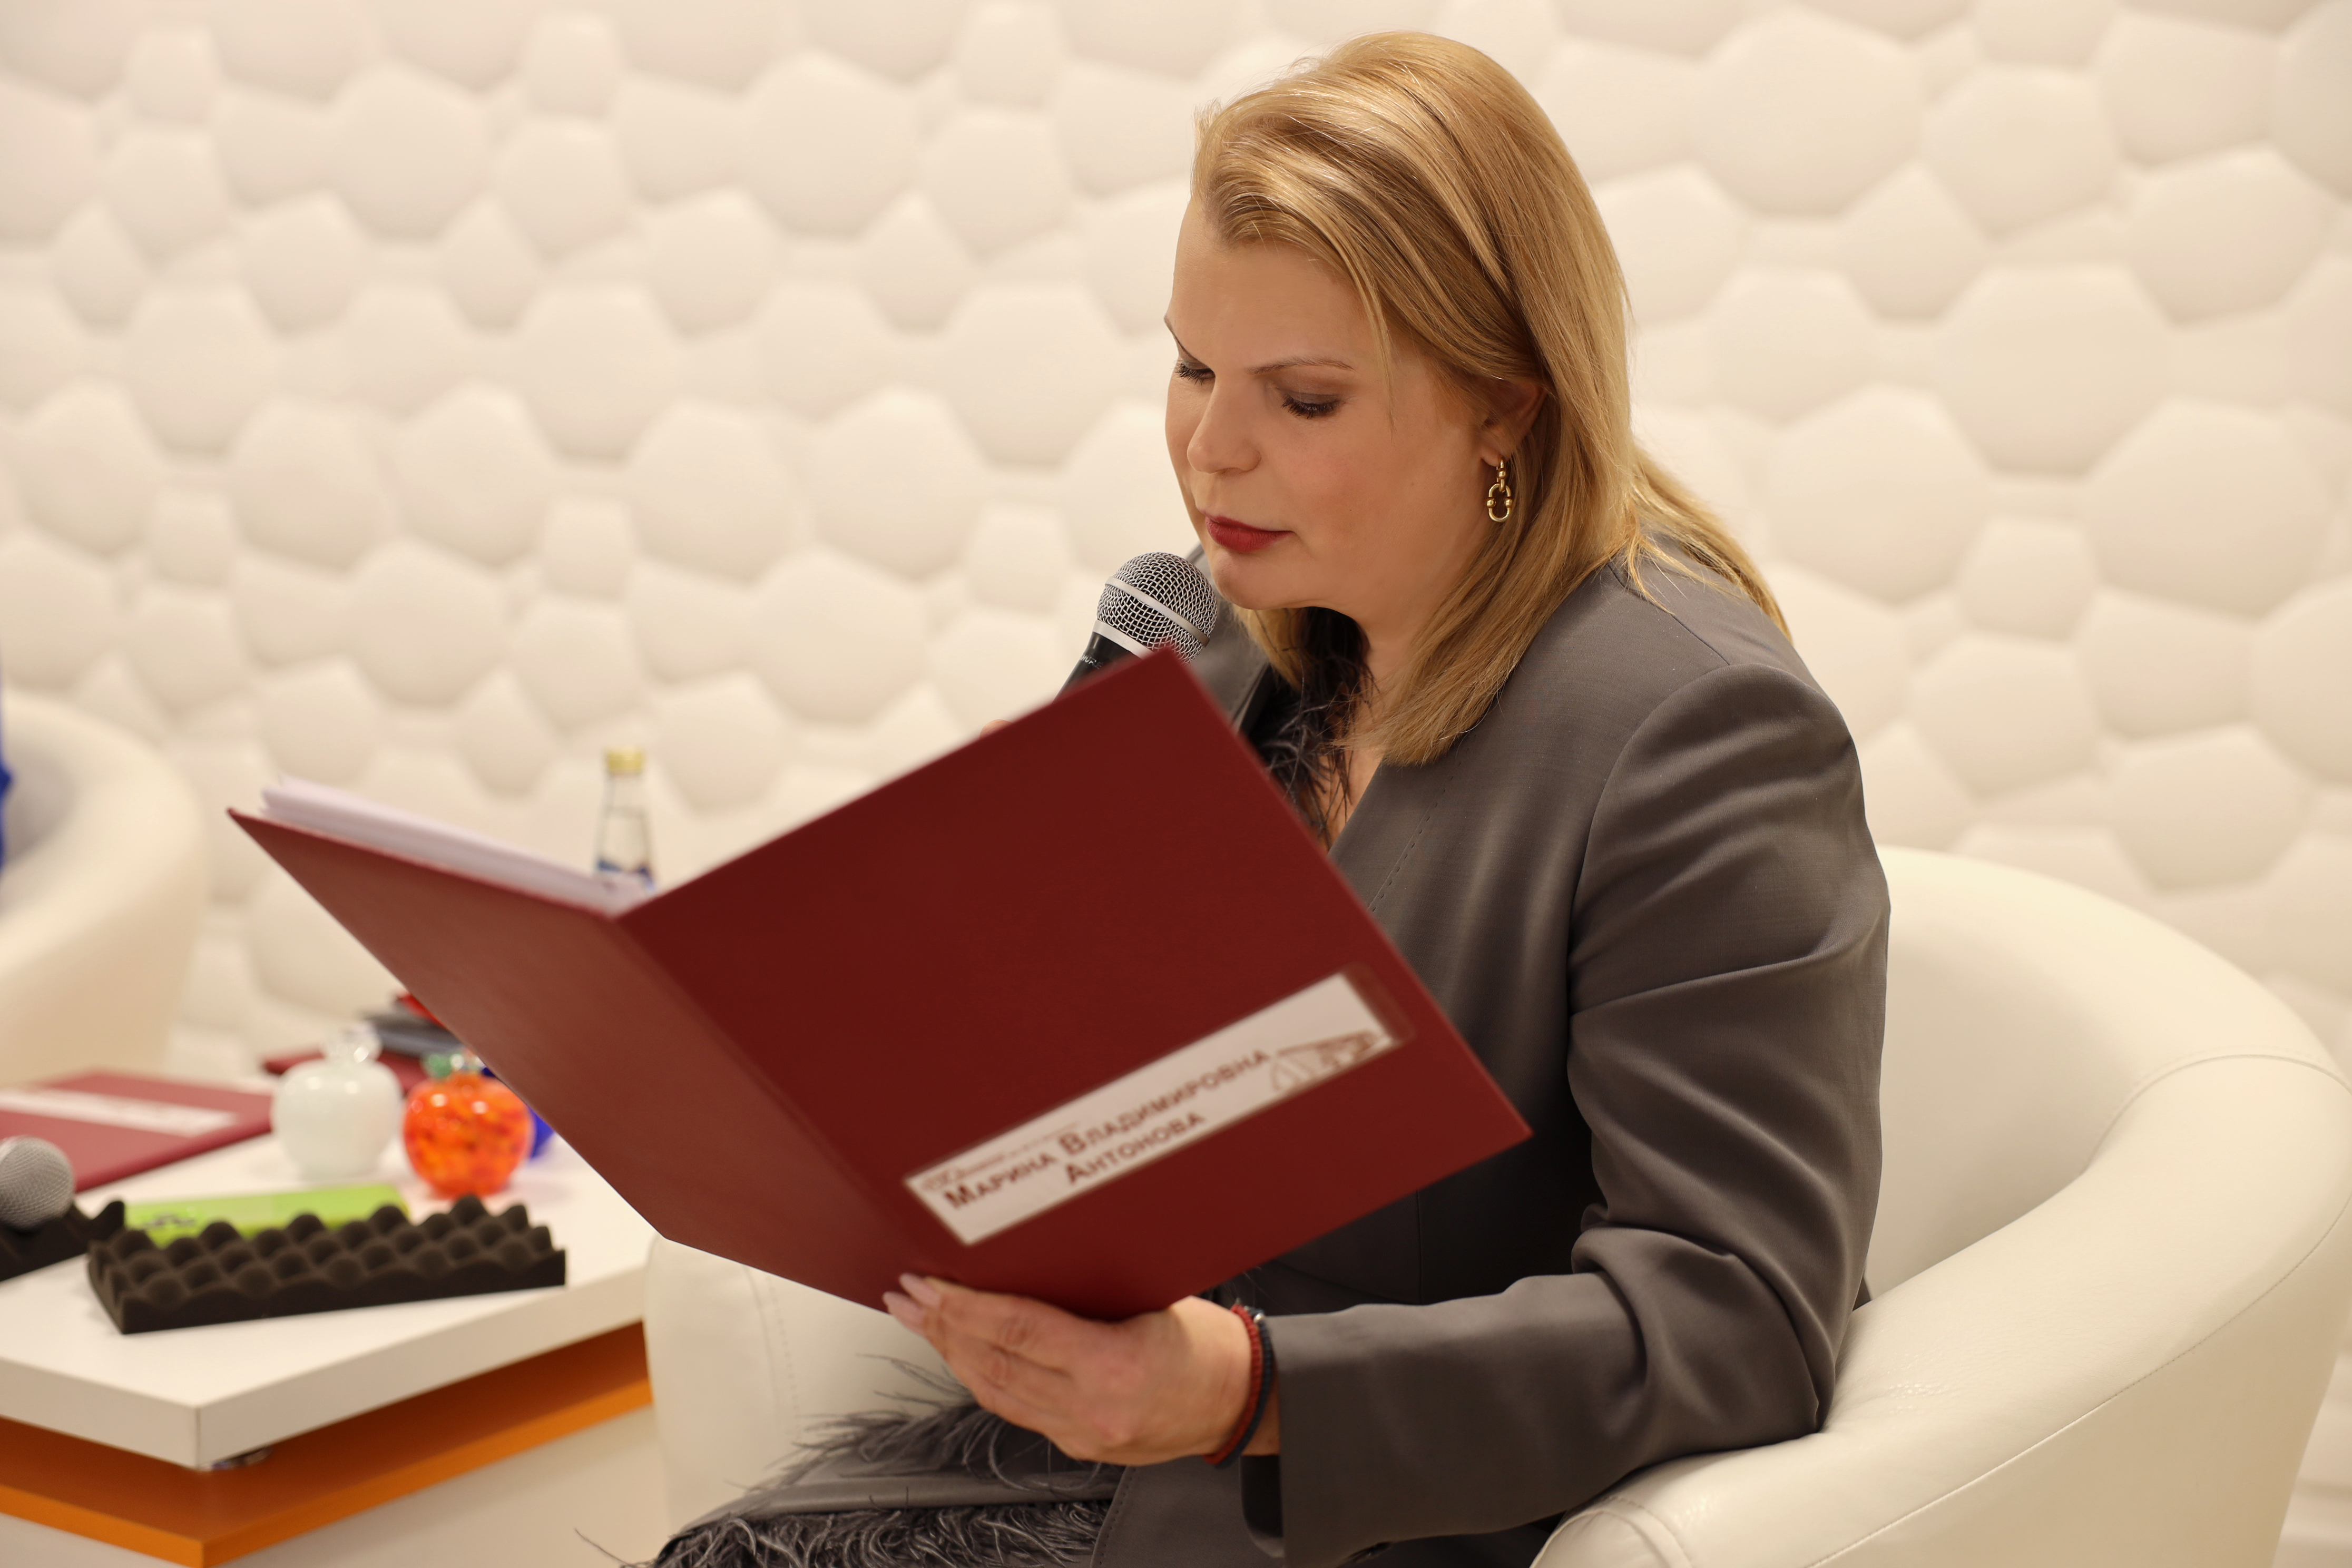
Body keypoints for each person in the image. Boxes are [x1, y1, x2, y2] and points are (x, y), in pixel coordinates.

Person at [875, 32, 1888, 1568]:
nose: (1210, 449)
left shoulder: (1699, 734)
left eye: (1305, 399)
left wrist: (1246, 1392)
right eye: (1193, 367)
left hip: (1394, 1519)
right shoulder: (1230, 632)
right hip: (1106, 1472)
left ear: (1506, 407)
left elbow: (1739, 1318)